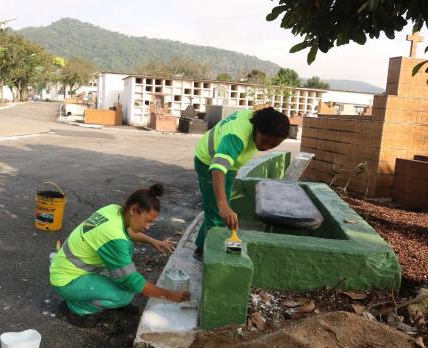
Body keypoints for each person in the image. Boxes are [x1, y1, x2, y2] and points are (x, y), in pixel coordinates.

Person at [50, 183, 191, 328]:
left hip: (68, 268)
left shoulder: (114, 210)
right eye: (147, 220)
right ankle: (75, 308)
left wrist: (153, 241)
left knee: (127, 247)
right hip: (67, 281)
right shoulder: (113, 236)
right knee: (125, 296)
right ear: (134, 209)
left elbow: (126, 231)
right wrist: (169, 295)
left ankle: (106, 294)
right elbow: (133, 281)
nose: (148, 226)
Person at [193, 107, 290, 261]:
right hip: (208, 162)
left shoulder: (257, 118)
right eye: (265, 141)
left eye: (273, 145)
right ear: (257, 128)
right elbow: (217, 169)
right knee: (218, 211)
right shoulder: (236, 138)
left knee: (216, 207)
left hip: (229, 166)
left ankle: (200, 246)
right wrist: (223, 205)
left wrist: (224, 202)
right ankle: (209, 256)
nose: (266, 147)